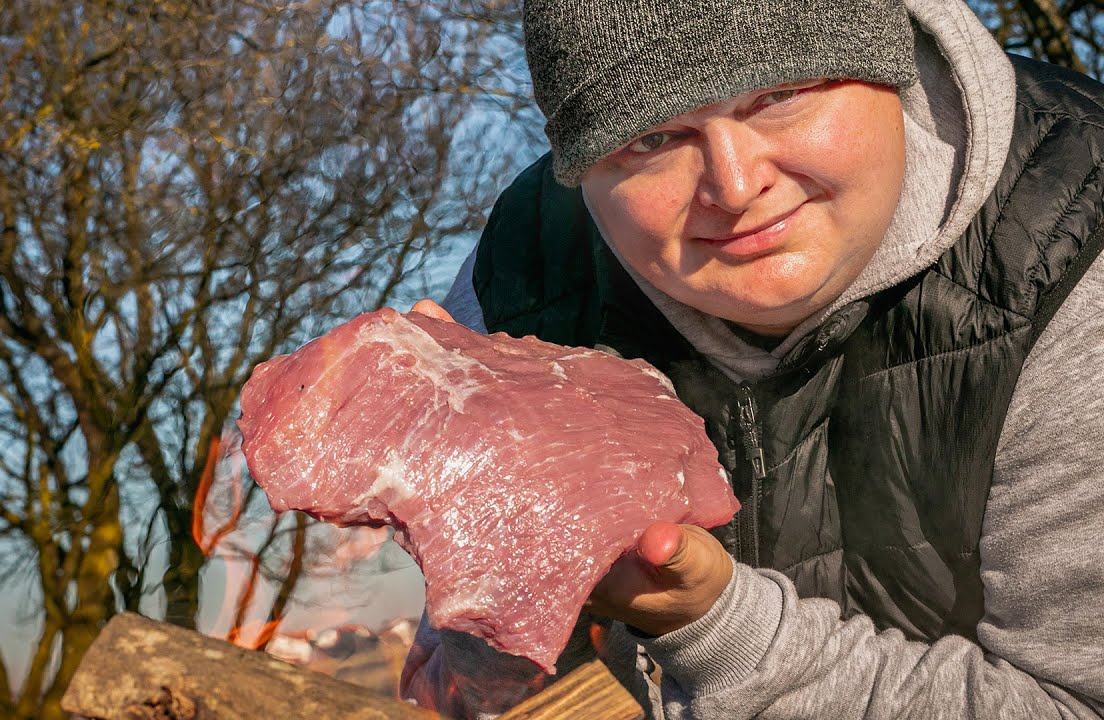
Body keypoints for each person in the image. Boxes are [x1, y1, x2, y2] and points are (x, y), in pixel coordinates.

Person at [398, 0, 1104, 717]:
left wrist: (714, 631)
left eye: (780, 96)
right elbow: (465, 690)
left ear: (887, 65)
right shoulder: (521, 287)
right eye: (651, 138)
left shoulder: (1074, 249)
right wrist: (502, 590)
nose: (735, 189)